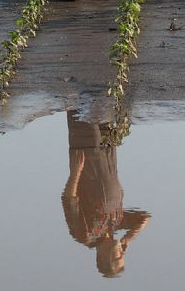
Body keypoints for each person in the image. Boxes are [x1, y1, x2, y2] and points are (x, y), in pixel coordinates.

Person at [61, 110, 151, 277]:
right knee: (103, 101)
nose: (122, 253)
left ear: (103, 258)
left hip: (86, 150)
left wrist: (75, 173)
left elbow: (69, 200)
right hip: (108, 149)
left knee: (81, 102)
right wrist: (127, 239)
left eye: (118, 257)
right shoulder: (116, 224)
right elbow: (145, 218)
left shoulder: (84, 234)